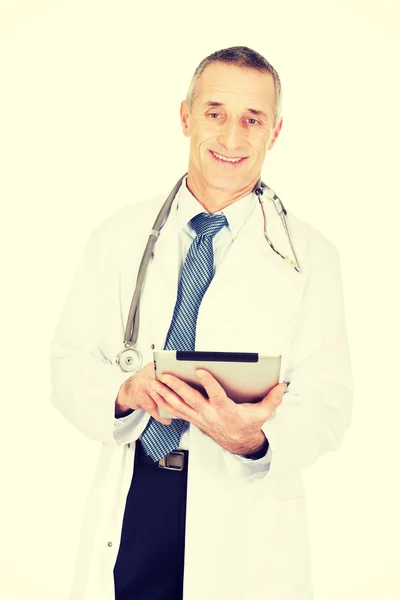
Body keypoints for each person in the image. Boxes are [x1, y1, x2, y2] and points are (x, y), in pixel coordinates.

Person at [50, 46, 353, 600]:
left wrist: (254, 440)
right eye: (215, 113)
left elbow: (329, 404)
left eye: (251, 119)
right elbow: (69, 365)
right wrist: (124, 391)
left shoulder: (310, 257)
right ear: (186, 116)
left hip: (242, 516)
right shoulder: (118, 238)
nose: (232, 138)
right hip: (137, 496)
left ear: (275, 132)